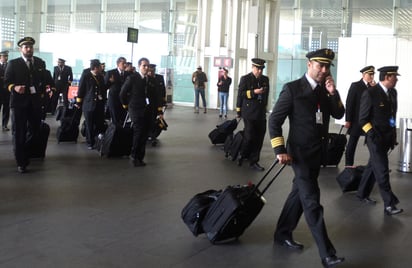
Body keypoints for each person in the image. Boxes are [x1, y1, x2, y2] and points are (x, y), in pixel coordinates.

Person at [268, 48, 345, 267]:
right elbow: (274, 121)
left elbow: (339, 114)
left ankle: (282, 233)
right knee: (312, 201)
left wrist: (333, 92)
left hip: (317, 154)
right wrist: (279, 150)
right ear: (309, 64)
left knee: (298, 196)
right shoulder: (292, 89)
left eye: (327, 66)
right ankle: (327, 253)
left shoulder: (324, 90)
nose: (324, 70)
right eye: (320, 65)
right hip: (298, 156)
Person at [356, 66, 403, 215]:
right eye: (395, 77)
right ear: (388, 77)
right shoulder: (370, 93)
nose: (397, 80)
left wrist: (393, 136)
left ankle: (362, 193)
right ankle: (389, 204)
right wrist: (373, 135)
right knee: (382, 170)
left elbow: (391, 116)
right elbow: (362, 120)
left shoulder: (392, 93)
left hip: (387, 137)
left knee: (372, 167)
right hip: (375, 139)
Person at [4, 37, 51, 173]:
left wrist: (44, 95)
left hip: (35, 103)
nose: (29, 49)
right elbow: (6, 83)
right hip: (19, 104)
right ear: (21, 49)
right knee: (19, 132)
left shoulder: (40, 63)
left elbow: (43, 81)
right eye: (26, 47)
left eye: (31, 47)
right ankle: (21, 161)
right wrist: (14, 87)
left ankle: (24, 150)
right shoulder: (13, 64)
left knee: (36, 130)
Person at [120, 57, 154, 167]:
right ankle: (134, 156)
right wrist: (127, 105)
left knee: (144, 134)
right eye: (144, 66)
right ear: (139, 66)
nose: (146, 68)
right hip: (135, 109)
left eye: (147, 66)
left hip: (146, 110)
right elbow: (122, 93)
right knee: (138, 132)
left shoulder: (148, 79)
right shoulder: (132, 78)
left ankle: (140, 157)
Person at [236, 58, 269, 171]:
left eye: (261, 69)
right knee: (249, 136)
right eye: (257, 68)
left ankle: (254, 161)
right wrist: (238, 110)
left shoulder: (265, 79)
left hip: (260, 113)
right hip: (249, 113)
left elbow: (266, 95)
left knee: (259, 138)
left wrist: (265, 107)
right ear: (253, 67)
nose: (259, 71)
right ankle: (242, 153)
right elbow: (240, 94)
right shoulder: (245, 79)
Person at [344, 65, 376, 167]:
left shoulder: (374, 87)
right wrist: (348, 119)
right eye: (369, 74)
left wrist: (376, 89)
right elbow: (349, 103)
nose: (371, 76)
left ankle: (374, 166)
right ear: (363, 75)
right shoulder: (356, 85)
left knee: (373, 144)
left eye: (373, 74)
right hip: (356, 120)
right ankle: (348, 165)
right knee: (352, 143)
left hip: (369, 121)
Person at [76, 59, 106, 149]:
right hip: (88, 104)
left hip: (99, 105)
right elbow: (81, 89)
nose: (102, 68)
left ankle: (97, 140)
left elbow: (103, 89)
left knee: (98, 124)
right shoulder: (86, 75)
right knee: (89, 124)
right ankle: (90, 142)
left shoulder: (101, 76)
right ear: (96, 67)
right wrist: (78, 102)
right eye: (100, 67)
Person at [104, 56, 129, 125]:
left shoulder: (128, 74)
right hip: (114, 100)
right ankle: (115, 134)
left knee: (123, 120)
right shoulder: (110, 73)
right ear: (118, 64)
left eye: (125, 63)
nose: (125, 65)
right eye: (123, 63)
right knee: (115, 120)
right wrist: (110, 82)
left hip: (124, 101)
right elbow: (104, 87)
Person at [147, 63, 166, 146]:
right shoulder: (146, 79)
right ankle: (151, 135)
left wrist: (163, 101)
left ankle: (152, 135)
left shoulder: (159, 77)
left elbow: (163, 90)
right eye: (150, 70)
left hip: (158, 103)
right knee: (149, 119)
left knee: (156, 119)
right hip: (148, 104)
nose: (152, 71)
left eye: (153, 70)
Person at [0, 50, 10, 131]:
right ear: (0, 57)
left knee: (6, 109)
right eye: (4, 56)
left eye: (7, 56)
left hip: (7, 92)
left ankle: (4, 125)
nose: (6, 58)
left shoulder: (10, 65)